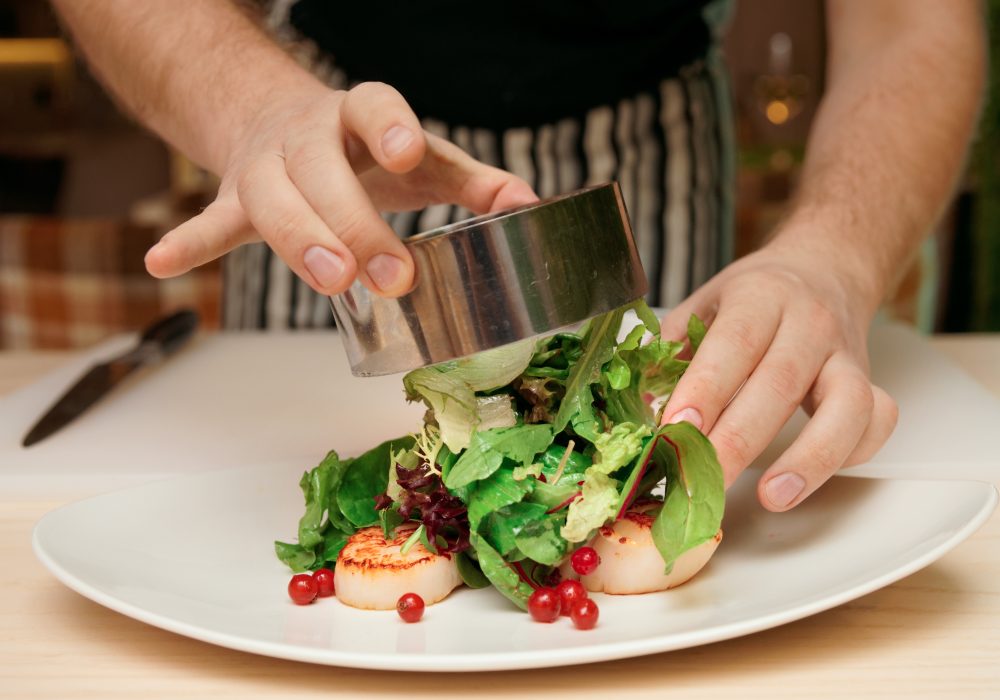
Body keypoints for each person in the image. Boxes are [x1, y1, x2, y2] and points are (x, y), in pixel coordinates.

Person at [51, 0, 985, 513]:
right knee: (364, 499)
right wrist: (251, 106)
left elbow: (913, 19)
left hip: (644, 137)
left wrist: (834, 255)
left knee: (633, 479)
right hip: (320, 146)